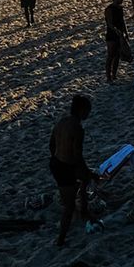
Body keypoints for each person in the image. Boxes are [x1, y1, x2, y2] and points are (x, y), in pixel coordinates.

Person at [49, 95, 101, 245]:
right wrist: (88, 172)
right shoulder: (78, 128)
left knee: (84, 180)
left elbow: (51, 144)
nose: (88, 114)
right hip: (64, 168)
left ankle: (84, 211)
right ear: (82, 110)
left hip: (56, 163)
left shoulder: (62, 121)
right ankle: (61, 240)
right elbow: (78, 156)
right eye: (88, 111)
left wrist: (58, 157)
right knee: (69, 206)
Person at [104, 0, 127, 83]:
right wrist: (116, 30)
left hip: (120, 34)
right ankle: (108, 76)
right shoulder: (109, 9)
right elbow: (109, 23)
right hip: (111, 34)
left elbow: (123, 21)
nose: (122, 0)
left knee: (117, 55)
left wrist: (126, 32)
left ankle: (114, 74)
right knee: (110, 55)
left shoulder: (120, 8)